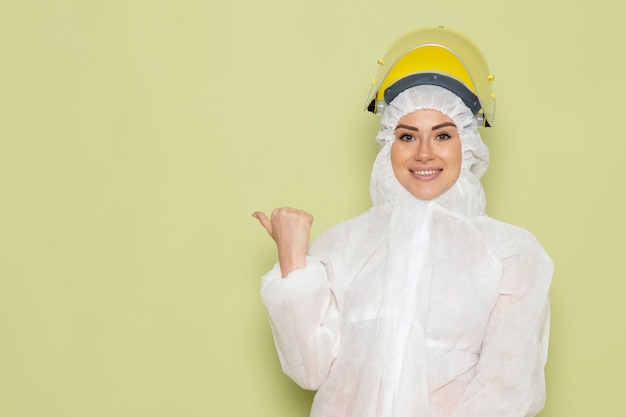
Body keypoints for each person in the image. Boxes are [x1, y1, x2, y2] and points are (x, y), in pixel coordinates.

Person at [253, 26, 553, 417]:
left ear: (468, 143)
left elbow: (507, 391)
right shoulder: (343, 245)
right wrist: (294, 264)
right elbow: (310, 372)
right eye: (408, 137)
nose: (424, 154)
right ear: (387, 145)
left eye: (442, 136)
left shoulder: (510, 255)